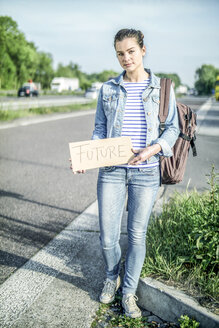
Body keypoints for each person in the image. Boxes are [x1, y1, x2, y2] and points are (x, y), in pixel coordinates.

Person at [71, 28, 179, 318]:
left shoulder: (161, 88)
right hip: (111, 171)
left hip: (146, 173)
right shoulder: (108, 89)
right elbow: (99, 130)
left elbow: (173, 129)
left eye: (131, 51)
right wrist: (87, 157)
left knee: (136, 235)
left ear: (144, 50)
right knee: (107, 237)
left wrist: (152, 149)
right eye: (120, 53)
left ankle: (129, 292)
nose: (126, 58)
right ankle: (111, 277)